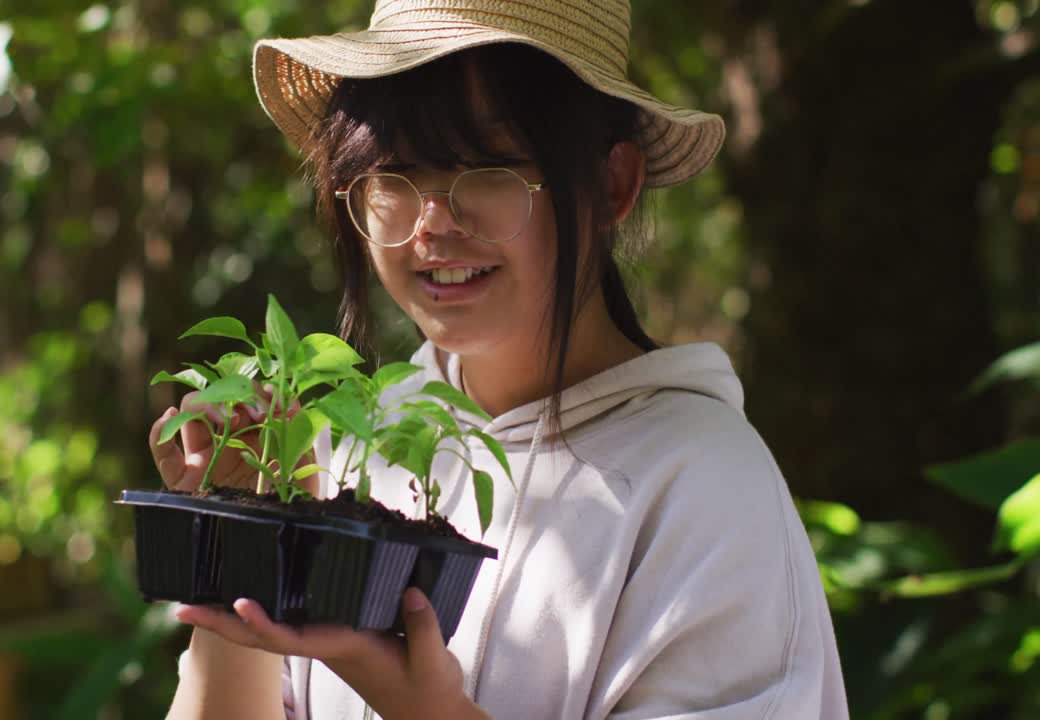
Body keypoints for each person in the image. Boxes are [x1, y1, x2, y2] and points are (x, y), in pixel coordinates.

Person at [148, 1, 850, 718]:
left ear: (612, 185)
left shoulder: (703, 488)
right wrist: (238, 542)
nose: (432, 223)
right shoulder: (358, 446)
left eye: (485, 167)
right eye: (394, 172)